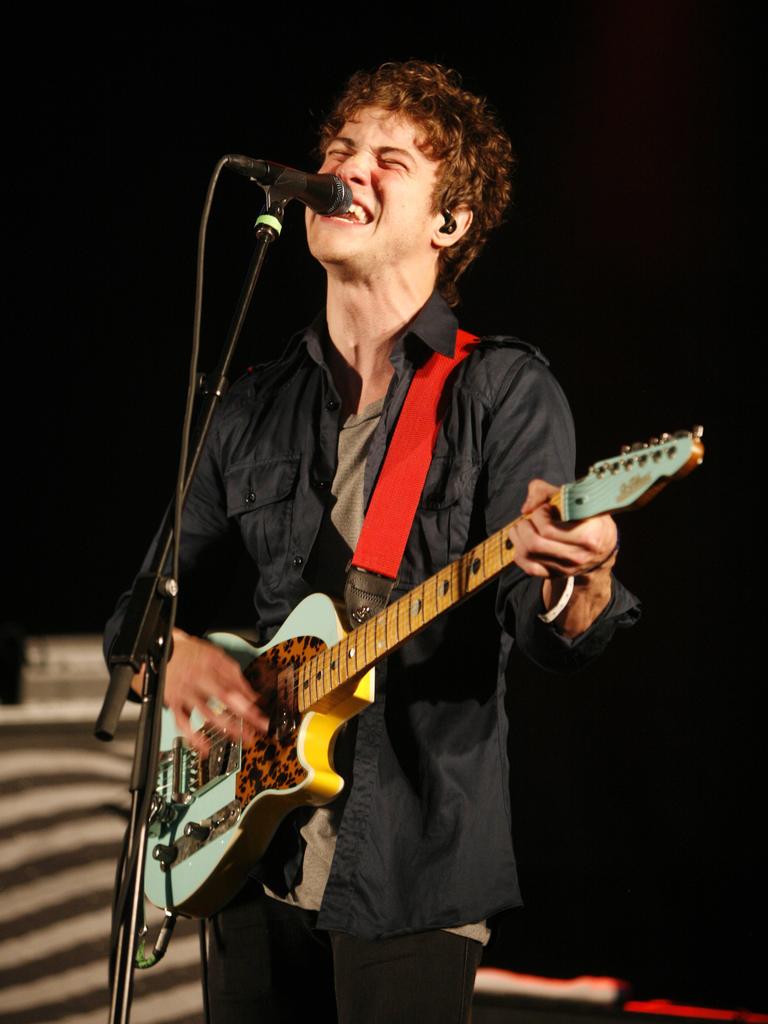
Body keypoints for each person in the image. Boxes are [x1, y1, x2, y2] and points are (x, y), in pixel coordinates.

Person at [106, 60, 639, 1023]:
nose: (348, 169)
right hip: (247, 858)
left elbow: (552, 630)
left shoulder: (501, 393)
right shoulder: (251, 404)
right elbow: (141, 610)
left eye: (389, 160)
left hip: (412, 861)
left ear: (451, 222)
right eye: (340, 150)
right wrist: (170, 654)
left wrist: (583, 576)